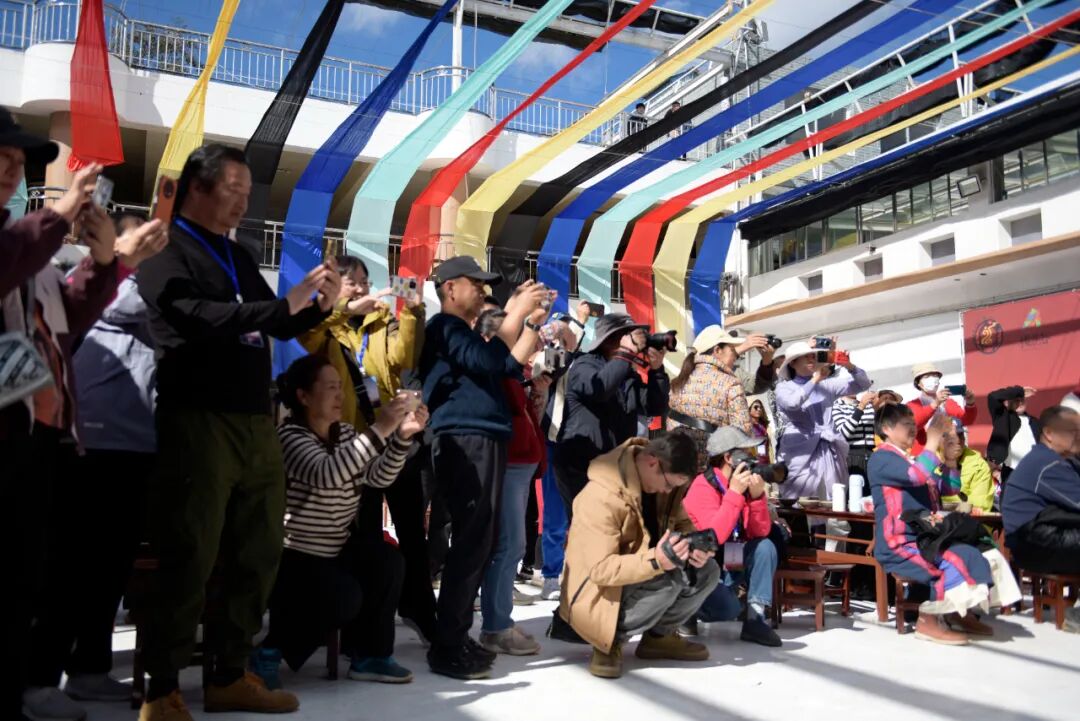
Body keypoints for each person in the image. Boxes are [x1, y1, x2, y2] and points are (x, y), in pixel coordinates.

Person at [136, 144, 343, 720]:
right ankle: (161, 688)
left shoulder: (239, 254)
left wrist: (317, 307)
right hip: (198, 417)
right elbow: (194, 317)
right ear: (196, 188)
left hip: (255, 419)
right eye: (232, 189)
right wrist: (280, 309)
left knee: (258, 547)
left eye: (248, 192)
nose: (243, 202)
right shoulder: (165, 247)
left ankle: (229, 672)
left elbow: (275, 322)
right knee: (192, 550)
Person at [1, 111, 168, 721]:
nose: (13, 169)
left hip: (40, 437)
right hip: (37, 439)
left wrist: (105, 264)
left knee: (32, 573)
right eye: (2, 157)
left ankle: (33, 683)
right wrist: (63, 217)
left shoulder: (31, 255)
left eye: (18, 161)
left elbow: (66, 321)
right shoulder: (24, 244)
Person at [30, 211, 159, 709]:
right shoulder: (109, 286)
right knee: (71, 567)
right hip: (94, 447)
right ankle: (40, 677)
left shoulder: (145, 287)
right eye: (139, 236)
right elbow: (133, 306)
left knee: (109, 568)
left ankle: (90, 668)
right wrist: (133, 265)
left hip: (136, 446)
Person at [250, 354, 426, 689]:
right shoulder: (289, 438)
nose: (339, 395)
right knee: (343, 596)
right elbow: (328, 473)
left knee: (387, 562)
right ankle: (270, 652)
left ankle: (371, 655)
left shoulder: (345, 433)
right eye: (330, 387)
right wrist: (381, 428)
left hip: (335, 549)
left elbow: (377, 477)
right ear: (303, 396)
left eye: (339, 386)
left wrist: (402, 437)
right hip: (294, 557)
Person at [418, 256, 549, 680]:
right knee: (471, 540)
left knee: (478, 540)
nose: (482, 290)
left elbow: (505, 365)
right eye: (475, 283)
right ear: (450, 288)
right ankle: (448, 645)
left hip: (482, 437)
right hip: (465, 438)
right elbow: (489, 360)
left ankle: (455, 637)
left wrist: (529, 324)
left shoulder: (462, 333)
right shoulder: (444, 327)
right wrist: (514, 311)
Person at [298, 254, 435, 645]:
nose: (362, 288)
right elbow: (306, 338)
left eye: (365, 282)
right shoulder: (328, 325)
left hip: (392, 437)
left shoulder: (382, 322)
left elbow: (405, 357)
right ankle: (362, 629)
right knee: (365, 536)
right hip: (349, 446)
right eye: (353, 282)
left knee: (412, 532)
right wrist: (343, 309)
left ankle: (421, 611)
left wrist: (412, 310)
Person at [558, 432, 720, 679]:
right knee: (671, 579)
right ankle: (608, 641)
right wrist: (656, 560)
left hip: (638, 578)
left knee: (707, 571)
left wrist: (694, 546)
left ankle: (658, 638)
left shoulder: (665, 485)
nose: (668, 491)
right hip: (594, 598)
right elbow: (600, 570)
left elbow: (683, 524)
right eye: (669, 485)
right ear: (653, 462)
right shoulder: (602, 495)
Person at [869, 406, 995, 645]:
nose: (913, 429)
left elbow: (949, 488)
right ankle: (929, 621)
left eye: (913, 424)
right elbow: (916, 476)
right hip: (899, 544)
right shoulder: (881, 457)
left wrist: (949, 460)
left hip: (924, 539)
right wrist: (933, 440)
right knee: (952, 563)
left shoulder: (909, 460)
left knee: (977, 551)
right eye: (906, 424)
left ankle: (959, 613)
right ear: (887, 429)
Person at [472, 308, 546, 656]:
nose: (527, 341)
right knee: (509, 546)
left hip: (520, 465)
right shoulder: (494, 370)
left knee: (511, 544)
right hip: (509, 466)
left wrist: (536, 397)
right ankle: (496, 625)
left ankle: (499, 620)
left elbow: (524, 416)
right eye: (520, 333)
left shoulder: (512, 372)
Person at [552, 313, 669, 515]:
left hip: (613, 466)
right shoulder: (584, 364)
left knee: (613, 524)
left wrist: (657, 371)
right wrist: (626, 354)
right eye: (626, 335)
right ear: (608, 340)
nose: (634, 342)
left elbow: (655, 408)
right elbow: (601, 389)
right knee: (587, 524)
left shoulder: (627, 372)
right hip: (581, 464)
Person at [684, 427, 782, 647]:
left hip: (730, 563)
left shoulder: (739, 486)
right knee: (728, 609)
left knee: (765, 547)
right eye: (746, 452)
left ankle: (756, 619)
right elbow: (713, 537)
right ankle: (687, 612)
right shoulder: (703, 486)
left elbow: (760, 533)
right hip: (701, 569)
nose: (751, 458)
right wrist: (735, 494)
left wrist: (756, 498)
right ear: (729, 458)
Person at [667, 326, 778, 467]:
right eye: (732, 350)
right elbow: (742, 435)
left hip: (677, 461)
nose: (736, 356)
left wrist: (767, 362)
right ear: (717, 350)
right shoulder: (730, 382)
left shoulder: (680, 380)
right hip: (711, 465)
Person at [775, 339, 871, 500]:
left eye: (813, 356)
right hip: (800, 451)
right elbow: (792, 403)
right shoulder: (784, 387)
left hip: (829, 448)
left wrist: (849, 366)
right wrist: (814, 380)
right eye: (805, 356)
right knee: (800, 501)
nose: (811, 359)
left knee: (833, 498)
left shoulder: (827, 385)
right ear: (792, 363)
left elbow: (863, 384)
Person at [1003, 406, 1080, 575]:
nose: (1078, 436)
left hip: (1037, 541)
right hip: (1037, 543)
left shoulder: (1056, 460)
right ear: (1049, 433)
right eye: (1073, 431)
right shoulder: (1048, 463)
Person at [907, 363, 978, 452]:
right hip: (925, 454)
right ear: (918, 383)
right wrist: (935, 404)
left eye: (934, 375)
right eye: (927, 377)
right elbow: (915, 423)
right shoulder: (913, 404)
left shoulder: (948, 402)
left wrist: (970, 404)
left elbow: (966, 420)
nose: (932, 379)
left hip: (948, 452)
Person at [987, 385, 1040, 486]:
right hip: (1011, 472)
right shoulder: (1002, 417)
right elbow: (993, 396)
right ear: (1007, 402)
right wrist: (1019, 391)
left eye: (1022, 400)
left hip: (1033, 472)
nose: (1020, 403)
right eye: (1016, 400)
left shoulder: (1035, 422)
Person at [941, 421, 996, 513]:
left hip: (965, 520)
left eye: (960, 435)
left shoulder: (979, 465)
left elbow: (980, 507)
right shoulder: (929, 461)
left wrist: (942, 503)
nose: (958, 441)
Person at [833, 390, 880, 476]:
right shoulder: (837, 406)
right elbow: (843, 434)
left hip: (872, 455)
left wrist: (878, 405)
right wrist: (861, 407)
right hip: (851, 458)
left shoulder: (867, 405)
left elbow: (880, 428)